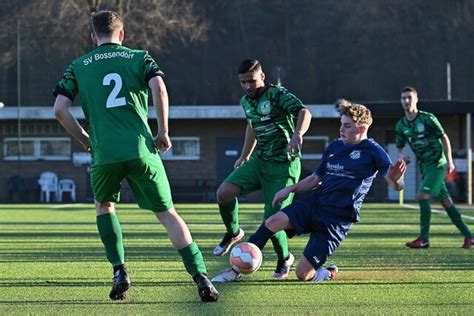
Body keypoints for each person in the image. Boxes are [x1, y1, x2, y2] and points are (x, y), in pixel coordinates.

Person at [52, 10, 218, 302]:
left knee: (104, 206)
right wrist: (163, 131)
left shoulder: (78, 66)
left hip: (105, 153)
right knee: (168, 214)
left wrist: (85, 139)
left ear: (94, 37)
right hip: (141, 149)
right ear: (122, 34)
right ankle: (201, 278)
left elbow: (59, 110)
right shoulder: (139, 57)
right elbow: (159, 88)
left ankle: (119, 270)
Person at [213, 100, 406, 282]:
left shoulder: (374, 151)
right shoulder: (334, 146)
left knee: (302, 274)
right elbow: (315, 179)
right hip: (316, 202)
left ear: (362, 128)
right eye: (341, 124)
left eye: (347, 125)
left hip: (338, 217)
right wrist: (289, 189)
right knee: (272, 221)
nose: (341, 129)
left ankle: (327, 272)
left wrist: (397, 182)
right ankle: (235, 270)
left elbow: (393, 182)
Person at [211, 59, 312, 282]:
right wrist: (245, 155)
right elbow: (252, 126)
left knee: (272, 218)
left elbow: (304, 112)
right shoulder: (245, 101)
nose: (248, 86)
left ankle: (284, 258)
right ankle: (233, 232)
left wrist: (297, 135)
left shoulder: (277, 95)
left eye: (252, 81)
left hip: (283, 164)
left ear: (262, 77)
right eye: (243, 82)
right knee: (224, 193)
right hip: (259, 160)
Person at [396, 86, 473, 249]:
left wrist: (450, 161)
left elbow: (444, 137)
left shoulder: (427, 118)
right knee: (446, 202)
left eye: (409, 97)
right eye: (403, 98)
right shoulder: (401, 125)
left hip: (438, 164)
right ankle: (469, 236)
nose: (406, 101)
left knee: (422, 196)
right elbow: (399, 148)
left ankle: (424, 239)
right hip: (424, 166)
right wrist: (402, 158)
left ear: (416, 99)